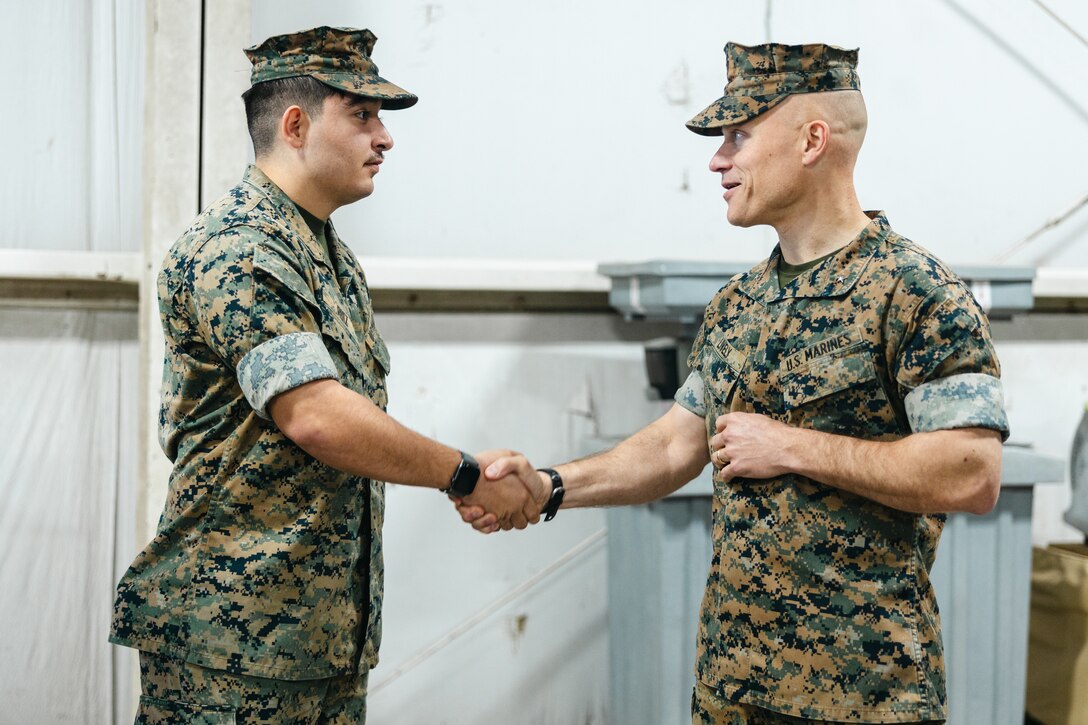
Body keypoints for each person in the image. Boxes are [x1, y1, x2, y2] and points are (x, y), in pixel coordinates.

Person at [466, 42, 1009, 723]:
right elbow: (674, 446)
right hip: (733, 689)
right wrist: (550, 486)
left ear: (812, 140)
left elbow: (971, 472)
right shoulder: (737, 304)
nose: (718, 161)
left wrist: (792, 447)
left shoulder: (915, 292)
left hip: (863, 696)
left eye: (739, 136)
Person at [110, 26, 545, 723]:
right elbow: (316, 416)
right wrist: (464, 474)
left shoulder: (324, 254)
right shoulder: (239, 248)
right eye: (362, 115)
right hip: (232, 647)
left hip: (316, 639)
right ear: (295, 125)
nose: (385, 137)